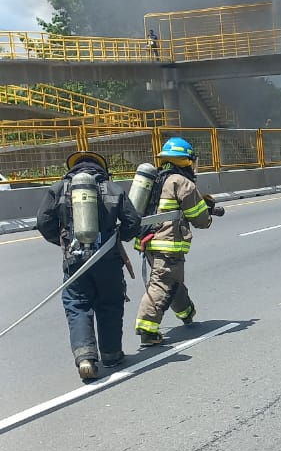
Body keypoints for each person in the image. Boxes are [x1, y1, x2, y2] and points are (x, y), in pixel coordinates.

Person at [36, 151, 142, 380]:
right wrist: (117, 238)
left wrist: (63, 241)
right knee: (110, 304)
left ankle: (86, 358)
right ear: (102, 168)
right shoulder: (113, 189)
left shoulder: (58, 189)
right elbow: (133, 222)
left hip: (75, 260)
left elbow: (43, 223)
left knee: (77, 305)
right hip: (108, 260)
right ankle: (112, 355)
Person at [134, 137, 219, 346]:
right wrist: (207, 213)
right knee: (163, 282)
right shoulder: (182, 182)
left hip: (148, 241)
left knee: (171, 279)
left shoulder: (155, 178)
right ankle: (147, 329)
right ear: (186, 160)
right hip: (167, 243)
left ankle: (186, 312)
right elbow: (200, 220)